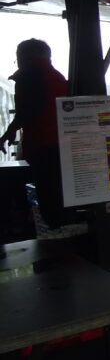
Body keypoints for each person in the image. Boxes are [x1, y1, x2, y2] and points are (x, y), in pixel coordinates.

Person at [1, 38, 69, 227]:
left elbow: (28, 109)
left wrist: (10, 131)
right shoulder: (57, 76)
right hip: (63, 146)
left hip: (43, 146)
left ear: (23, 56)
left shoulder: (29, 75)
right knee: (59, 195)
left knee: (49, 198)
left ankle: (55, 243)